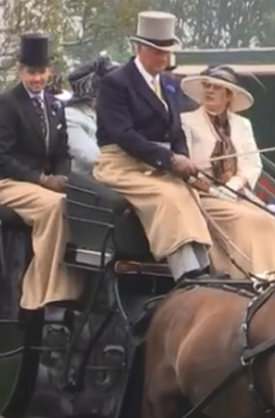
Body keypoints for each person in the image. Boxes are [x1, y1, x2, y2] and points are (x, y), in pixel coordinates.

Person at [94, 11, 215, 282]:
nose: (164, 58)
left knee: (187, 194)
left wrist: (182, 158)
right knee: (168, 198)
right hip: (122, 165)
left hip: (160, 165)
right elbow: (123, 134)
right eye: (157, 51)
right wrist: (170, 160)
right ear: (139, 48)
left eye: (167, 52)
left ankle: (205, 269)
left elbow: (177, 132)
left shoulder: (170, 85)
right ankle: (187, 275)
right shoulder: (116, 83)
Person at [0, 33, 83, 315]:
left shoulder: (55, 105)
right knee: (55, 206)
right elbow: (2, 158)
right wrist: (42, 180)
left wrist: (64, 179)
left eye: (41, 72)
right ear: (20, 70)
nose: (37, 79)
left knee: (79, 202)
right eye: (31, 73)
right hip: (7, 182)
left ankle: (76, 287)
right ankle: (42, 293)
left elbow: (62, 153)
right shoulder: (6, 104)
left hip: (45, 183)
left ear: (49, 71)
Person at [180, 64, 275, 280]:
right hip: (204, 194)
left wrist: (234, 186)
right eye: (206, 86)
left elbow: (252, 163)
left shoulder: (242, 124)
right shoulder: (187, 121)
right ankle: (241, 279)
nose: (209, 91)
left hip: (236, 192)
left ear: (228, 95)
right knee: (245, 220)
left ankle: (269, 280)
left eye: (216, 87)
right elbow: (185, 163)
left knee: (268, 220)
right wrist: (213, 189)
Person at [64, 54, 118, 173]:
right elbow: (92, 158)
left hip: (116, 172)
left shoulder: (110, 113)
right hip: (89, 180)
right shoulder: (71, 117)